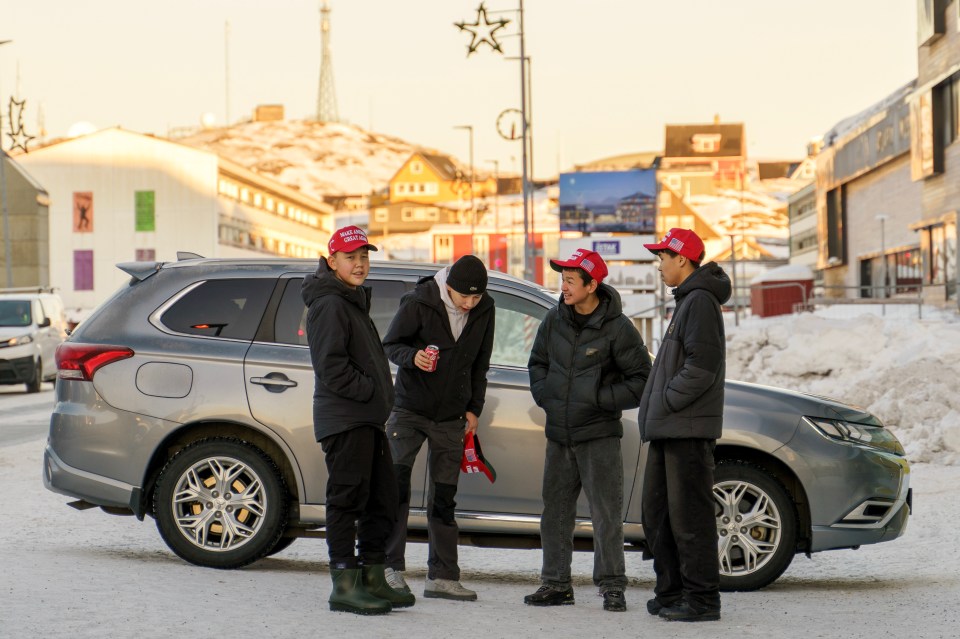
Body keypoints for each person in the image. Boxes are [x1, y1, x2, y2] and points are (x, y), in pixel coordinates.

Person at [524, 248, 651, 612]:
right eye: (561, 279)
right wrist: (546, 395)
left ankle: (612, 586)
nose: (562, 286)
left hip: (599, 436)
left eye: (569, 280)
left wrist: (598, 397)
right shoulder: (554, 319)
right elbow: (537, 363)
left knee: (606, 515)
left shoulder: (618, 329)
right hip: (559, 437)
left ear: (592, 285)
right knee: (555, 513)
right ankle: (556, 584)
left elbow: (641, 380)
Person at [301, 225, 415, 615]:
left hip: (366, 419)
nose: (360, 264)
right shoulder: (329, 304)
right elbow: (331, 367)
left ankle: (372, 575)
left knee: (381, 498)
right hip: (345, 418)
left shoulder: (350, 300)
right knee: (347, 500)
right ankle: (344, 584)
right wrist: (371, 390)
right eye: (351, 257)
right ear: (332, 261)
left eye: (364, 256)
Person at [382, 254, 496, 602]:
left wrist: (473, 408)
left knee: (444, 498)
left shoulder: (485, 309)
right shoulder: (420, 302)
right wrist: (413, 357)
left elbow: (480, 362)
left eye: (476, 298)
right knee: (395, 490)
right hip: (410, 410)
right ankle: (388, 568)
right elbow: (392, 345)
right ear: (449, 288)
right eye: (464, 297)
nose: (469, 304)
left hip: (451, 417)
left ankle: (442, 577)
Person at [638, 228, 731, 623]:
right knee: (658, 513)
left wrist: (666, 400)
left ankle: (702, 600)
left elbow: (702, 367)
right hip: (671, 429)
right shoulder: (687, 301)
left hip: (687, 430)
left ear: (682, 259)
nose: (659, 265)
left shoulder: (700, 302)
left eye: (663, 257)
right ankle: (672, 591)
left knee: (690, 517)